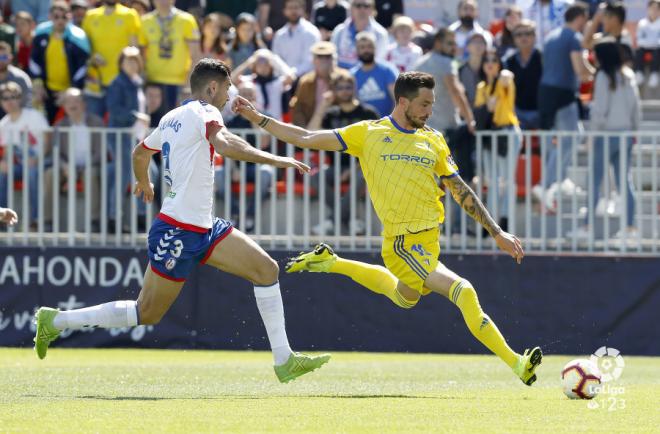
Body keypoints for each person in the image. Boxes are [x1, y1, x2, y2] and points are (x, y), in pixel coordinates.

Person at [234, 70, 542, 386]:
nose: (429, 111)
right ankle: (518, 364)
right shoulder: (368, 133)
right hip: (402, 245)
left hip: (429, 242)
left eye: (432, 104)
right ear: (403, 101)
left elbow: (459, 188)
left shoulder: (433, 139)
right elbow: (306, 137)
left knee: (404, 298)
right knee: (464, 291)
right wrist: (258, 117)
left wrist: (496, 232)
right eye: (424, 104)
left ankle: (332, 263)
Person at [33, 58, 331, 384]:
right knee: (146, 312)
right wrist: (277, 159)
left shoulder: (172, 117)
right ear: (213, 87)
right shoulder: (206, 111)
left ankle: (284, 360)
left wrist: (144, 182)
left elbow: (139, 154)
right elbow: (225, 144)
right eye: (227, 89)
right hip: (177, 230)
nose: (228, 97)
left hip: (204, 226)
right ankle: (56, 321)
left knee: (266, 270)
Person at [567, 38, 640, 240]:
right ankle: (631, 229)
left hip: (606, 135)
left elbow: (600, 111)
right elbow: (636, 109)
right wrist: (634, 131)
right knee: (625, 182)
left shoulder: (603, 77)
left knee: (594, 181)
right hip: (625, 135)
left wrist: (592, 136)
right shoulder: (628, 75)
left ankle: (587, 227)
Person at [532, 3, 594, 212]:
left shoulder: (551, 36)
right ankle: (548, 184)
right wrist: (595, 73)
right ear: (580, 18)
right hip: (563, 95)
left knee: (557, 142)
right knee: (572, 137)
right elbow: (580, 69)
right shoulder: (574, 38)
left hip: (545, 92)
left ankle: (557, 180)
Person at [307, 69, 378, 235]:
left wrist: (352, 170)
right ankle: (348, 219)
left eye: (348, 87)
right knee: (315, 177)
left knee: (362, 176)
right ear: (334, 91)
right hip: (336, 167)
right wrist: (322, 106)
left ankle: (333, 220)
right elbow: (310, 133)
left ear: (354, 89)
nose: (345, 91)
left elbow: (375, 147)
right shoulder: (331, 114)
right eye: (340, 88)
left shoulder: (368, 113)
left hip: (362, 167)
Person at [215, 80, 274, 231]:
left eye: (250, 96)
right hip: (236, 166)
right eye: (244, 95)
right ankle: (235, 213)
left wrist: (253, 118)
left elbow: (263, 143)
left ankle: (249, 216)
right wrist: (234, 168)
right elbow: (225, 147)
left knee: (266, 173)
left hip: (257, 166)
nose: (247, 99)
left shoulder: (265, 118)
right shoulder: (231, 122)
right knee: (219, 174)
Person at [44, 88, 104, 232]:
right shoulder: (60, 125)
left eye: (76, 100)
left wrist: (82, 169)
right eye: (68, 101)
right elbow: (56, 152)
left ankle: (94, 221)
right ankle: (48, 221)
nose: (72, 104)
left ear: (84, 104)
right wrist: (65, 167)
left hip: (90, 165)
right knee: (51, 173)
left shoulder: (96, 122)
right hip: (66, 167)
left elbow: (100, 152)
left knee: (90, 174)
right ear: (63, 106)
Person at [474, 49, 521, 231]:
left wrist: (503, 73)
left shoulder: (503, 81)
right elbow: (483, 111)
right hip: (490, 134)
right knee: (491, 179)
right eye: (487, 60)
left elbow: (507, 78)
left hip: (507, 132)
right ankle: (491, 222)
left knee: (508, 178)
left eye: (494, 60)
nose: (490, 63)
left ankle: (506, 219)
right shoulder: (481, 87)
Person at [106, 46, 150, 232]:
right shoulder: (118, 83)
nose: (132, 64)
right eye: (128, 60)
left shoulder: (137, 82)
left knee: (149, 173)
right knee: (123, 176)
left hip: (136, 136)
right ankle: (114, 219)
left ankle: (141, 215)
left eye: (135, 60)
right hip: (121, 135)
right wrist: (136, 116)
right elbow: (114, 110)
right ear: (121, 63)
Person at [29, 1, 91, 124]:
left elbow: (82, 68)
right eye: (56, 17)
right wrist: (37, 83)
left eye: (64, 17)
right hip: (46, 91)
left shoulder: (77, 38)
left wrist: (70, 90)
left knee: (69, 126)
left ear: (69, 17)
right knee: (47, 124)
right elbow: (34, 60)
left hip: (69, 93)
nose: (60, 20)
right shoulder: (41, 34)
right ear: (50, 17)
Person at [0, 81, 49, 228]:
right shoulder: (4, 124)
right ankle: (3, 220)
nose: (9, 101)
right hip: (21, 164)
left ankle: (36, 220)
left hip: (43, 161)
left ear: (20, 99)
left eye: (13, 97)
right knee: (2, 174)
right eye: (5, 98)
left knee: (32, 173)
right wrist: (4, 162)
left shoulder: (34, 116)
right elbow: (8, 151)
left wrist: (37, 158)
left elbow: (48, 141)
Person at [82, 0, 141, 119]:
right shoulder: (90, 15)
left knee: (120, 123)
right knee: (95, 125)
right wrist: (92, 57)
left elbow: (134, 49)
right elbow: (85, 48)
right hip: (96, 81)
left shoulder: (130, 15)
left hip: (121, 81)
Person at [139, 0, 202, 111]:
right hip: (152, 83)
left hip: (179, 84)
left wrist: (188, 85)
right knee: (154, 125)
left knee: (176, 124)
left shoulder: (187, 20)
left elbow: (196, 55)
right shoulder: (145, 21)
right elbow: (141, 55)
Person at [290, 41, 346, 128]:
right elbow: (298, 109)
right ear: (313, 60)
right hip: (312, 131)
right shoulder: (305, 81)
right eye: (319, 56)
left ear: (334, 59)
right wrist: (303, 131)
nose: (324, 60)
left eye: (327, 56)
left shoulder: (344, 79)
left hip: (338, 131)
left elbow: (351, 105)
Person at [231, 49, 295, 122]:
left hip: (275, 123)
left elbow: (291, 77)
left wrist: (274, 60)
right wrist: (249, 62)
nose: (263, 67)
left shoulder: (277, 82)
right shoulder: (250, 81)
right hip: (257, 123)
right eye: (259, 64)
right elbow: (233, 78)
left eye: (266, 64)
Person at [504, 19, 542, 130]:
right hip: (517, 113)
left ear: (535, 36)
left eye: (528, 33)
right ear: (514, 39)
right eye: (519, 34)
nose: (523, 37)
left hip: (541, 112)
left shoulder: (544, 58)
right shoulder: (508, 61)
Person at [331, 0, 389, 69]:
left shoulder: (380, 34)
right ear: (351, 9)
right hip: (342, 76)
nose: (362, 9)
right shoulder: (339, 31)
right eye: (358, 5)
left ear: (372, 9)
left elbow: (379, 62)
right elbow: (333, 58)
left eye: (366, 6)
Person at [351, 31, 397, 117]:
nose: (366, 50)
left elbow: (397, 100)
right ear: (357, 50)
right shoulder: (352, 75)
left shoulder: (387, 71)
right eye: (362, 47)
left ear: (375, 48)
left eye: (369, 46)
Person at [271, 0, 320, 77]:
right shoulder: (279, 35)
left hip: (305, 81)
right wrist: (287, 75)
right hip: (284, 80)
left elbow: (309, 62)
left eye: (296, 7)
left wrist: (292, 74)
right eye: (290, 8)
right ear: (285, 11)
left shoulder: (311, 32)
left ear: (303, 10)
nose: (293, 11)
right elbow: (276, 59)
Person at [0, 41, 32, 119]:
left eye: (3, 57)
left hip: (17, 120)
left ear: (10, 57)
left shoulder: (20, 78)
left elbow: (26, 105)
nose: (0, 61)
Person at [634, 0, 660, 87]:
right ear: (648, 9)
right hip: (644, 47)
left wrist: (653, 43)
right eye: (652, 8)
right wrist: (650, 43)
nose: (654, 11)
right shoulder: (642, 23)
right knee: (638, 51)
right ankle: (638, 73)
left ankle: (654, 74)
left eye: (656, 9)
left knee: (657, 52)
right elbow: (639, 39)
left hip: (657, 48)